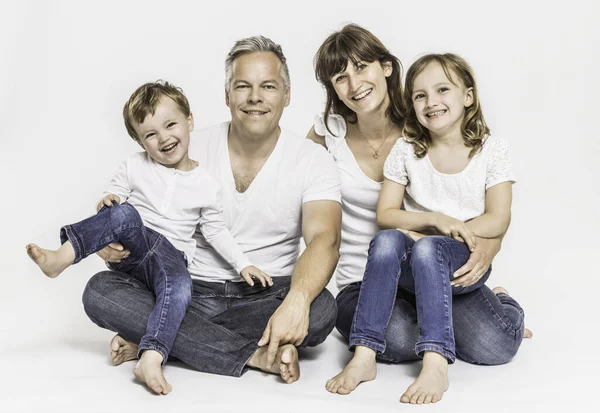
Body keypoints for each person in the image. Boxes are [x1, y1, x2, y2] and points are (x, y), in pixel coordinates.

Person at [81, 36, 342, 394]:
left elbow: (325, 240)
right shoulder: (184, 144)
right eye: (242, 86)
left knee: (323, 309)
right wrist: (110, 243)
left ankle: (161, 337)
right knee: (99, 291)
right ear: (226, 96)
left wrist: (296, 302)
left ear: (287, 95)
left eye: (268, 86)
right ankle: (254, 355)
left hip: (265, 296)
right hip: (186, 289)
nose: (255, 97)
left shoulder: (312, 159)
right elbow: (139, 214)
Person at [308, 24, 529, 404]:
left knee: (494, 345)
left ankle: (497, 306)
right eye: (340, 77)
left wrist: (484, 244)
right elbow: (382, 214)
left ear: (387, 68)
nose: (354, 83)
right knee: (399, 338)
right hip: (363, 279)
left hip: (432, 263)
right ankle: (412, 349)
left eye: (362, 67)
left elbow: (494, 211)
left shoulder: (422, 129)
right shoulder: (331, 132)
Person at [26, 81, 272, 395]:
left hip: (169, 258)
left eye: (170, 125)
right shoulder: (134, 166)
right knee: (124, 213)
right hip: (133, 250)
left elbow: (214, 231)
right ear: (140, 142)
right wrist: (108, 205)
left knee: (180, 285)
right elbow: (114, 196)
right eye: (150, 135)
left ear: (190, 121)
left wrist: (243, 265)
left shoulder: (206, 184)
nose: (164, 138)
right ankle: (62, 256)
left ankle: (151, 356)